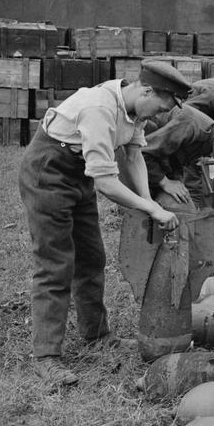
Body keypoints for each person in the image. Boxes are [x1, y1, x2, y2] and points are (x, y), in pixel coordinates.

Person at [19, 61, 189, 386]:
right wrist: (151, 209)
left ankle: (96, 335)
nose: (157, 116)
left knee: (92, 257)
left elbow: (134, 156)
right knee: (55, 264)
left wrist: (149, 202)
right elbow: (107, 184)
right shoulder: (99, 108)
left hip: (79, 172)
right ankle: (46, 356)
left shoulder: (135, 110)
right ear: (147, 90)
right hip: (49, 172)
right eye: (160, 108)